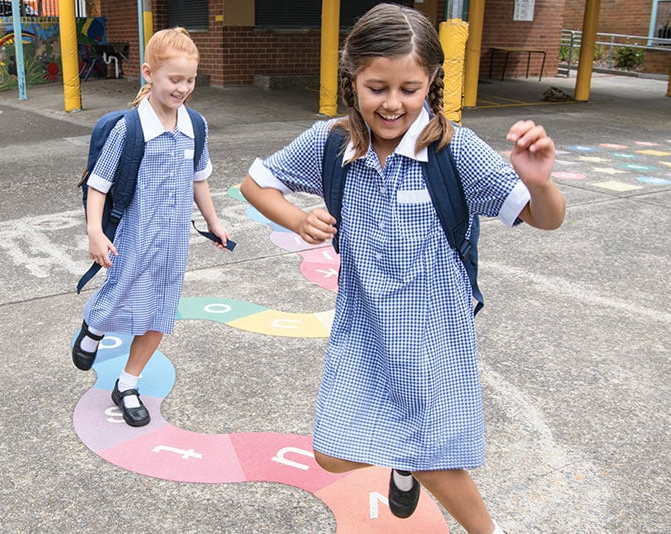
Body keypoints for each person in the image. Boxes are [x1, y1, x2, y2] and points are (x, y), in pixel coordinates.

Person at [240, 4, 565, 533]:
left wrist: (541, 182)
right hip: (363, 327)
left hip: (435, 330)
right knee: (331, 454)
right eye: (377, 88)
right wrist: (297, 219)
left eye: (409, 89)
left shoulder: (453, 149)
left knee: (435, 453)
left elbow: (543, 219)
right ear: (353, 80)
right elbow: (257, 182)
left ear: (431, 81)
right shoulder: (333, 143)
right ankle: (403, 458)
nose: (392, 104)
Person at [72, 27, 230, 427]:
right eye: (175, 79)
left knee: (160, 312)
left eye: (190, 80)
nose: (183, 88)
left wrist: (214, 222)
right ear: (148, 73)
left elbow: (199, 178)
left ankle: (127, 384)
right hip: (133, 236)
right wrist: (95, 232)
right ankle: (93, 324)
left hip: (174, 241)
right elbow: (98, 183)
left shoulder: (196, 125)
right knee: (119, 294)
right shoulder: (130, 128)